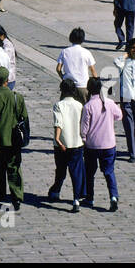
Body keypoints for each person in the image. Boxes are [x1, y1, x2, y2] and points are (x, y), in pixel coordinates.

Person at [0, 66, 27, 211]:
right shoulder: (17, 97)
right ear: (7, 80)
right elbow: (24, 118)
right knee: (14, 168)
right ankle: (17, 196)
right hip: (14, 140)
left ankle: (0, 193)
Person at [79, 77, 121, 212]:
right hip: (109, 144)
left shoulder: (88, 106)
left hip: (92, 145)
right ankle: (113, 196)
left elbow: (84, 127)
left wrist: (83, 138)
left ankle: (89, 197)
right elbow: (119, 115)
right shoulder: (109, 103)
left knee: (90, 173)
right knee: (109, 172)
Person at [48, 79, 86, 211]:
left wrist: (58, 140)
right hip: (76, 143)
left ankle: (55, 191)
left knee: (60, 170)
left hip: (62, 144)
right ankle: (76, 199)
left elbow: (58, 123)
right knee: (76, 172)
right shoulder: (79, 106)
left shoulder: (59, 105)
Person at [56, 28, 96, 103]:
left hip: (68, 86)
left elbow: (58, 69)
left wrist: (63, 78)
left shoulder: (64, 51)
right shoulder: (86, 52)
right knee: (84, 110)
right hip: (83, 85)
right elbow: (93, 71)